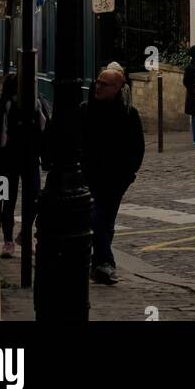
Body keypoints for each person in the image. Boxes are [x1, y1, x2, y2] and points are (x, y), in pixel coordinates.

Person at [79, 67, 145, 284]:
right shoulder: (85, 110)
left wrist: (129, 174)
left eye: (104, 84)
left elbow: (137, 148)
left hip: (116, 178)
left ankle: (97, 264)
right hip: (90, 176)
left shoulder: (128, 114)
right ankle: (105, 262)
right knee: (97, 216)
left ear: (117, 88)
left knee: (106, 220)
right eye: (97, 82)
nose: (98, 86)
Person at [0, 72, 50, 259]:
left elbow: (45, 131)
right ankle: (8, 241)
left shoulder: (37, 105)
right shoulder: (7, 107)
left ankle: (25, 234)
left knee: (34, 199)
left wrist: (45, 157)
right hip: (8, 162)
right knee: (6, 202)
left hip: (31, 160)